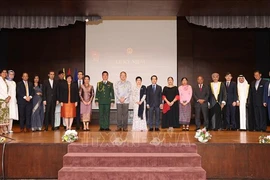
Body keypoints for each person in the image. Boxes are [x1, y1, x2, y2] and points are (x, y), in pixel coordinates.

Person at [0, 69, 10, 134]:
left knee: (4, 115)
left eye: (6, 72)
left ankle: (3, 128)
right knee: (0, 115)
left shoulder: (6, 81)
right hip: (1, 99)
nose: (5, 73)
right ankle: (0, 130)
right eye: (3, 72)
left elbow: (8, 90)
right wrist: (6, 97)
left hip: (6, 100)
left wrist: (9, 96)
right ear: (0, 73)